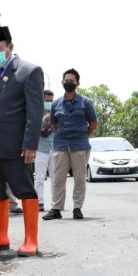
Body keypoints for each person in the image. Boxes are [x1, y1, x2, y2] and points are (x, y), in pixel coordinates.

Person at [0, 26, 43, 257]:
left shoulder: (29, 71)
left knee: (25, 191)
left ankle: (31, 240)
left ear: (10, 47)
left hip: (17, 148)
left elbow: (34, 113)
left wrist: (31, 144)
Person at [43, 69, 98, 221]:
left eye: (72, 81)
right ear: (62, 82)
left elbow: (93, 123)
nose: (68, 82)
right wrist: (62, 135)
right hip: (61, 144)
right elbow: (53, 124)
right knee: (58, 178)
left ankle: (77, 208)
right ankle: (56, 209)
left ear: (78, 83)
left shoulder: (86, 102)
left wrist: (83, 135)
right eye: (66, 80)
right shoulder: (56, 104)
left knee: (79, 178)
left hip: (79, 144)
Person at [34, 90, 56, 212]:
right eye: (47, 101)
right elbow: (35, 129)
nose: (49, 103)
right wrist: (44, 119)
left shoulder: (56, 112)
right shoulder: (36, 113)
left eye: (51, 101)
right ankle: (39, 202)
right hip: (40, 148)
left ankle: (55, 202)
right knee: (39, 177)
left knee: (55, 177)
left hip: (54, 147)